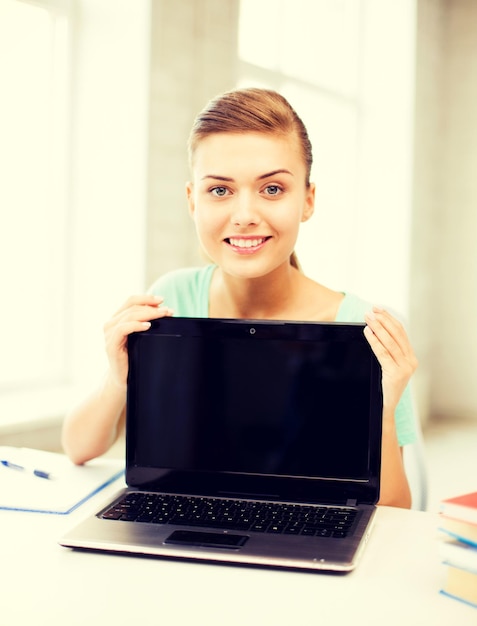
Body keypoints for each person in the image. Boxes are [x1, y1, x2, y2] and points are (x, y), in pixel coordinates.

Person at [62, 87, 418, 508]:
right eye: (219, 190)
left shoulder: (362, 327)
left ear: (307, 200)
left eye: (271, 189)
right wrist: (117, 376)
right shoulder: (170, 300)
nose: (245, 215)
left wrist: (386, 410)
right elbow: (79, 448)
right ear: (193, 201)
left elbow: (395, 514)